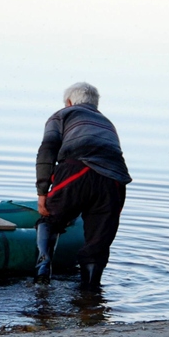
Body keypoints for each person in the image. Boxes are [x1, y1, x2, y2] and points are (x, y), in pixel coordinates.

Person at [35, 82, 131, 290]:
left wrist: (42, 192)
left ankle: (42, 270)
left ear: (69, 102)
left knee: (49, 219)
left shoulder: (62, 115)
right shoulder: (106, 122)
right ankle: (90, 294)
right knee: (98, 241)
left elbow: (47, 151)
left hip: (78, 170)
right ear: (95, 105)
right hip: (114, 180)